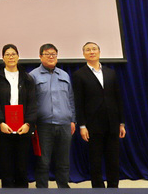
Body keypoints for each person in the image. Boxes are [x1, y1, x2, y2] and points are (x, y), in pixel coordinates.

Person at [73, 42, 126, 188]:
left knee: (113, 160)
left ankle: (113, 188)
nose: (91, 52)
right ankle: (98, 189)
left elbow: (118, 99)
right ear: (83, 54)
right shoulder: (79, 75)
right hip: (93, 124)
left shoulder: (110, 73)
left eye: (94, 49)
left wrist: (121, 123)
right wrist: (82, 125)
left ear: (99, 52)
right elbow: (79, 102)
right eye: (88, 50)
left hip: (112, 123)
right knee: (95, 160)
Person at [0, 44, 37, 188]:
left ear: (18, 57)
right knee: (6, 167)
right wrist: (0, 122)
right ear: (3, 58)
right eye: (7, 54)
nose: (11, 57)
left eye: (13, 54)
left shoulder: (27, 78)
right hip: (3, 129)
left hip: (23, 128)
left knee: (22, 166)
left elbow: (32, 103)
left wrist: (28, 123)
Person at [29, 43, 75, 188]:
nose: (51, 56)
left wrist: (72, 120)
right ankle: (42, 189)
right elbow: (29, 102)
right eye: (47, 54)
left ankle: (63, 187)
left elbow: (70, 99)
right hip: (43, 125)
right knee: (43, 161)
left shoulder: (64, 75)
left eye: (53, 54)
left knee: (63, 161)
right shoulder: (33, 76)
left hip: (64, 124)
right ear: (40, 56)